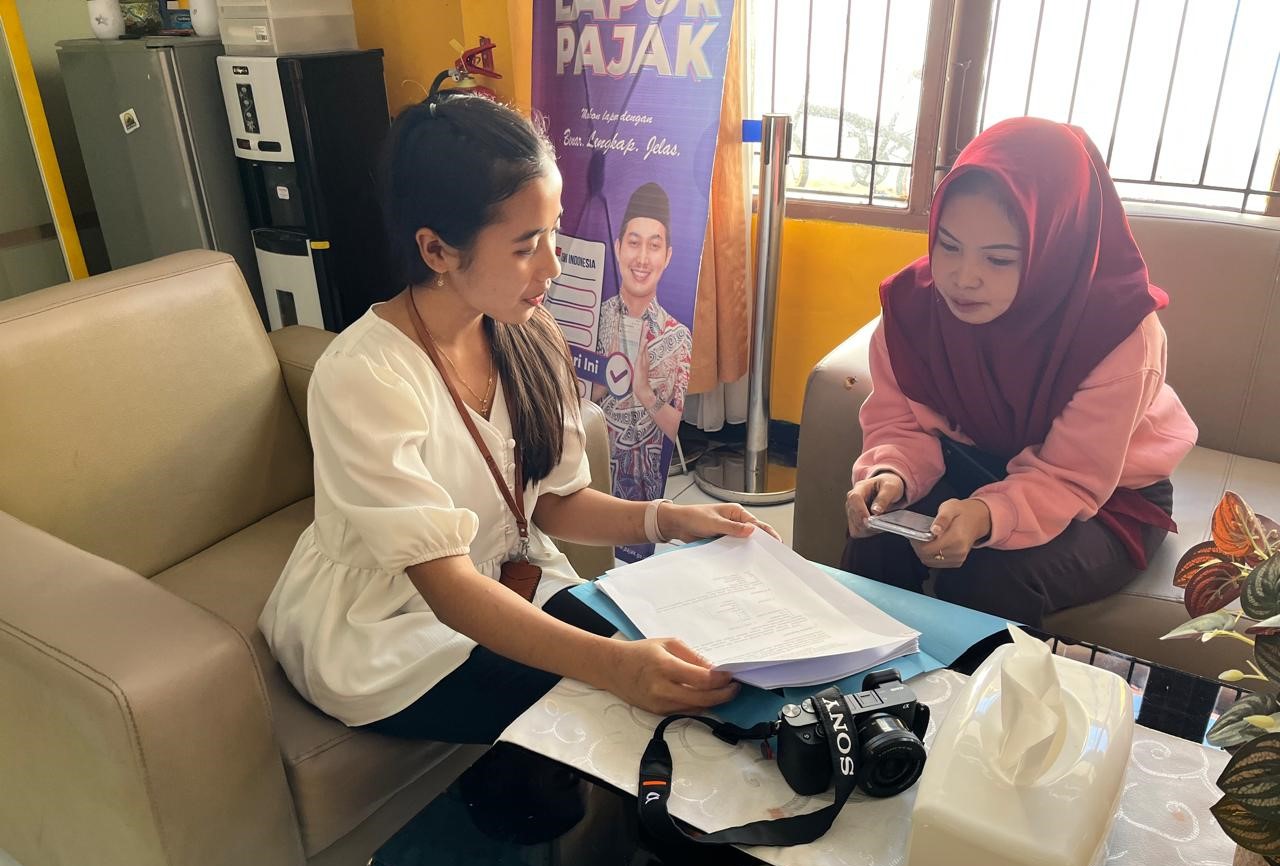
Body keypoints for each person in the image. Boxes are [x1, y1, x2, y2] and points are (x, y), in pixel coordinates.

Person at [258, 93, 776, 749]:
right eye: (528, 246)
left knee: (688, 665)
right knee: (608, 707)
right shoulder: (365, 377)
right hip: (388, 629)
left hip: (508, 580)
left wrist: (671, 521)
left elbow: (553, 502)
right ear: (437, 250)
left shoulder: (528, 335)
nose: (553, 266)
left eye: (554, 232)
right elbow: (447, 588)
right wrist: (615, 667)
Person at [841, 117, 1198, 627]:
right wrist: (890, 474)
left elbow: (1070, 477)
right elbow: (900, 420)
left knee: (990, 577)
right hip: (974, 463)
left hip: (1104, 494)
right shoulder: (914, 307)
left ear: (1055, 246)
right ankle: (861, 674)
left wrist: (988, 515)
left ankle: (976, 684)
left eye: (1000, 259)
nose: (964, 278)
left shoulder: (1116, 333)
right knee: (878, 537)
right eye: (948, 245)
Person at [593, 182, 693, 503]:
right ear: (618, 247)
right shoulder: (594, 319)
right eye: (634, 243)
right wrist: (602, 380)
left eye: (654, 246)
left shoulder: (677, 336)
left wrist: (644, 392)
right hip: (590, 477)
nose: (642, 258)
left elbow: (674, 427)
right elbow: (565, 405)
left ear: (668, 256)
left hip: (646, 490)